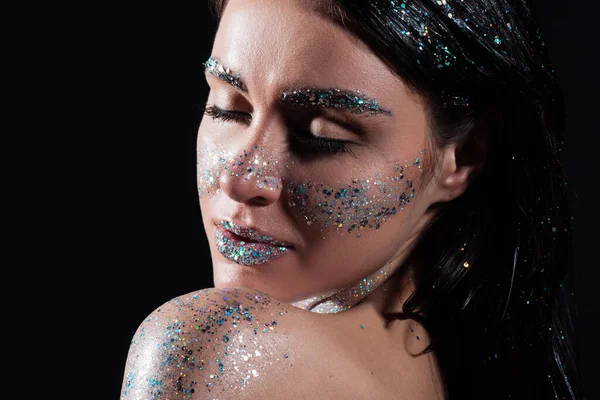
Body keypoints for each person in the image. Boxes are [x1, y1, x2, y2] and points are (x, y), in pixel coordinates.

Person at [120, 0, 586, 398]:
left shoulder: (211, 350)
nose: (240, 180)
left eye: (320, 134)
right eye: (227, 107)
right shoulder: (448, 373)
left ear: (463, 155)